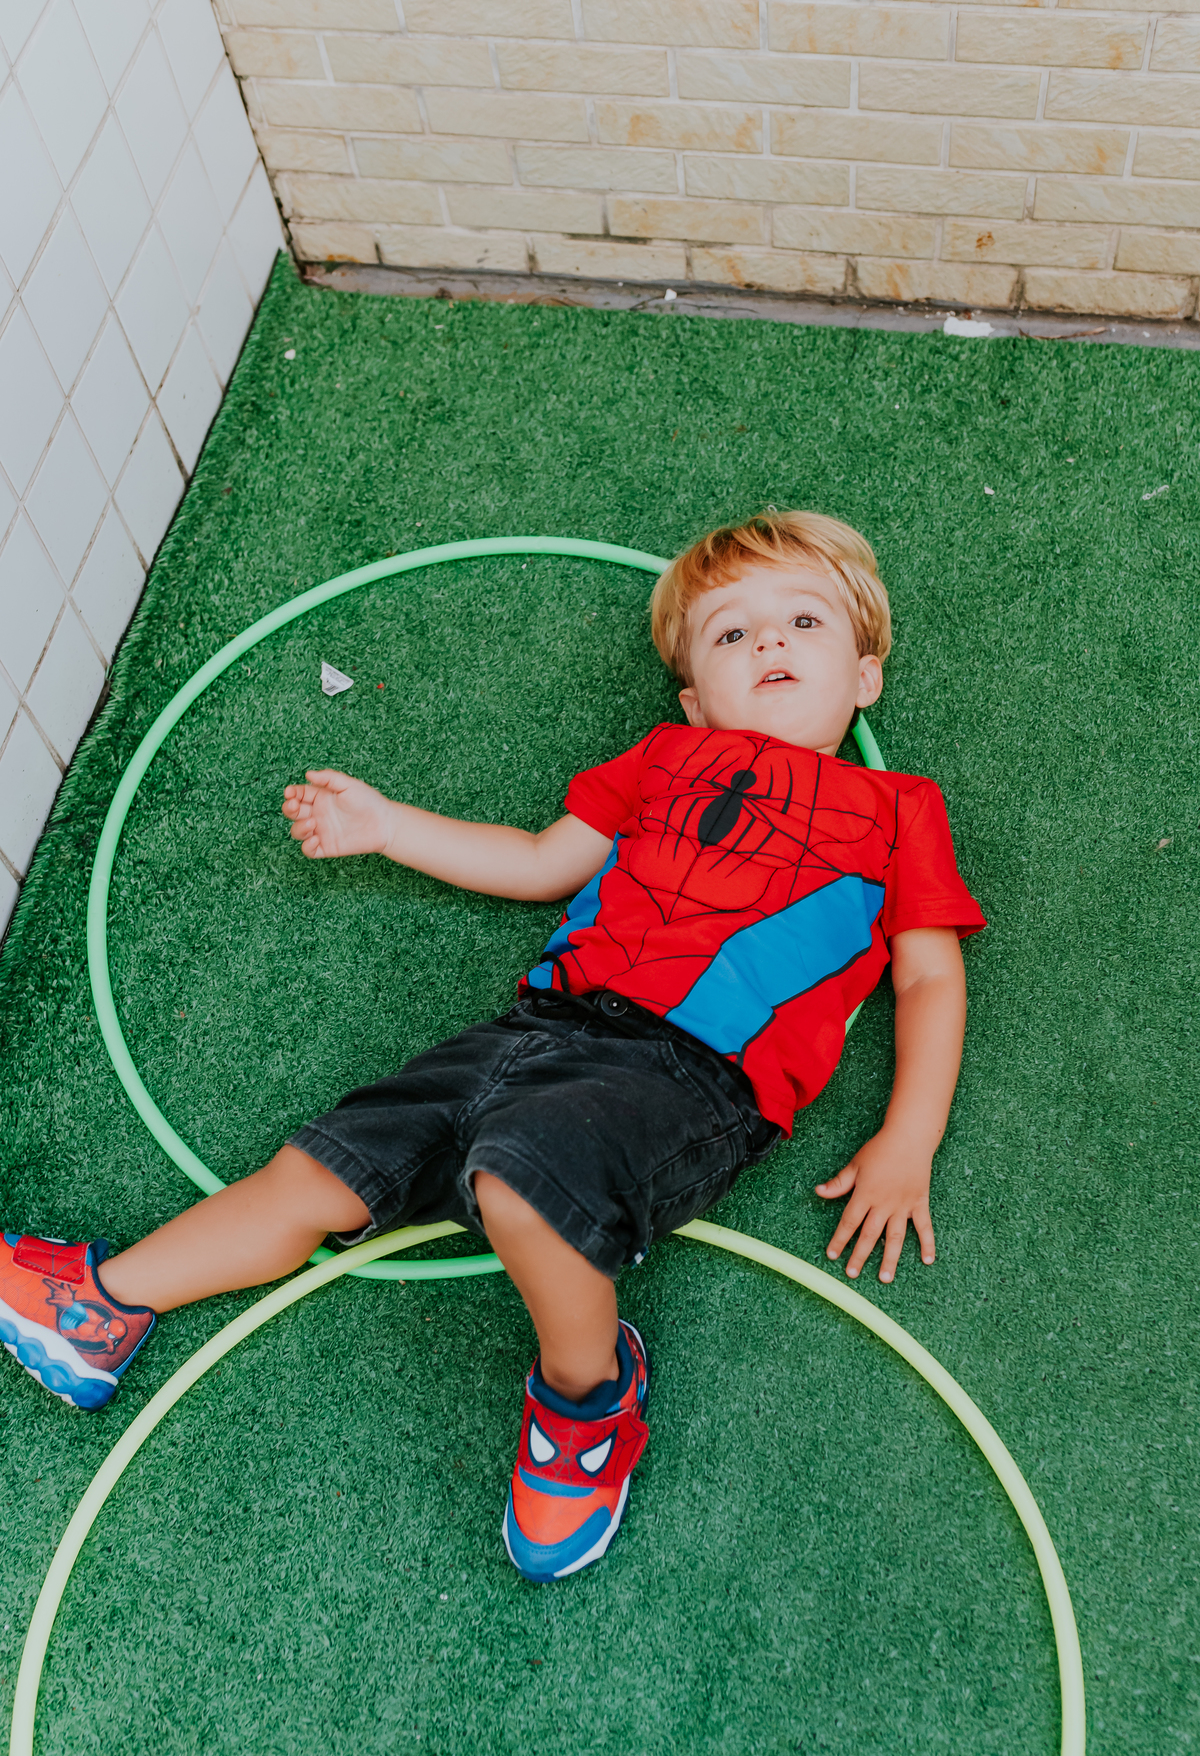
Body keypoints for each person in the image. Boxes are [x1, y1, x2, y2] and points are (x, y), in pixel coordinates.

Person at [0, 511, 984, 1583]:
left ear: (866, 676)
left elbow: (929, 973)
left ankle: (587, 1399)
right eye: (732, 634)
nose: (772, 644)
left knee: (523, 1179)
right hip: (537, 1030)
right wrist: (391, 826)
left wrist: (908, 1138)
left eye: (803, 620)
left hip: (695, 1073)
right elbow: (540, 857)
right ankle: (106, 1302)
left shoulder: (897, 808)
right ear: (695, 698)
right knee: (327, 1164)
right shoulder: (664, 760)